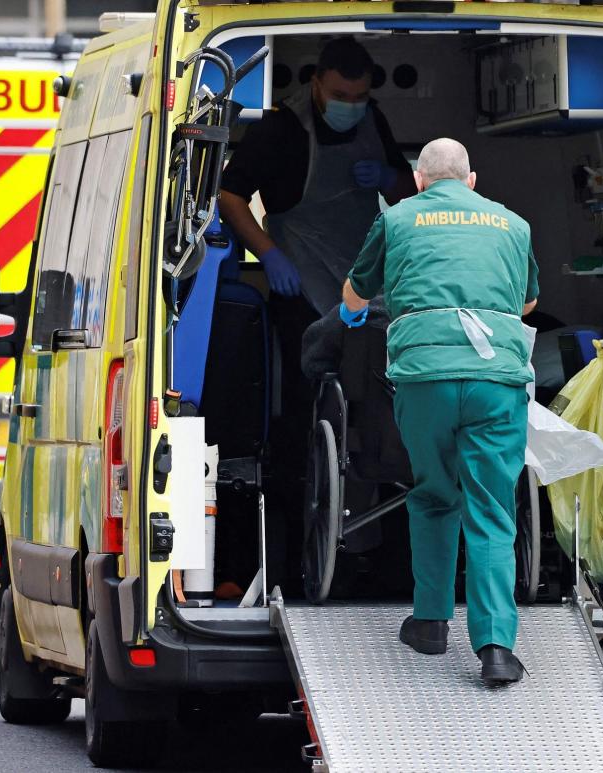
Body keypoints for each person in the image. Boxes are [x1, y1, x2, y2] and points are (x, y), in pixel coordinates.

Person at [218, 36, 416, 588]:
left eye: (358, 93)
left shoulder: (372, 120)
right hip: (301, 288)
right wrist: (268, 252)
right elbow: (229, 195)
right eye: (340, 94)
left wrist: (386, 179)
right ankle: (302, 542)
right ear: (317, 84)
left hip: (364, 286)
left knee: (375, 409)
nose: (350, 103)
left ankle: (367, 541)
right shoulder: (281, 130)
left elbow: (405, 188)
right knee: (307, 415)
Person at [341, 138, 539, 685]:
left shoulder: (398, 217)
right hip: (496, 381)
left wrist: (353, 310)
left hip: (423, 378)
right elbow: (526, 304)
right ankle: (497, 646)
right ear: (471, 181)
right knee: (492, 509)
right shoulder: (513, 225)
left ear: (420, 180)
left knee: (432, 495)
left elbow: (355, 297)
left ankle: (430, 623)